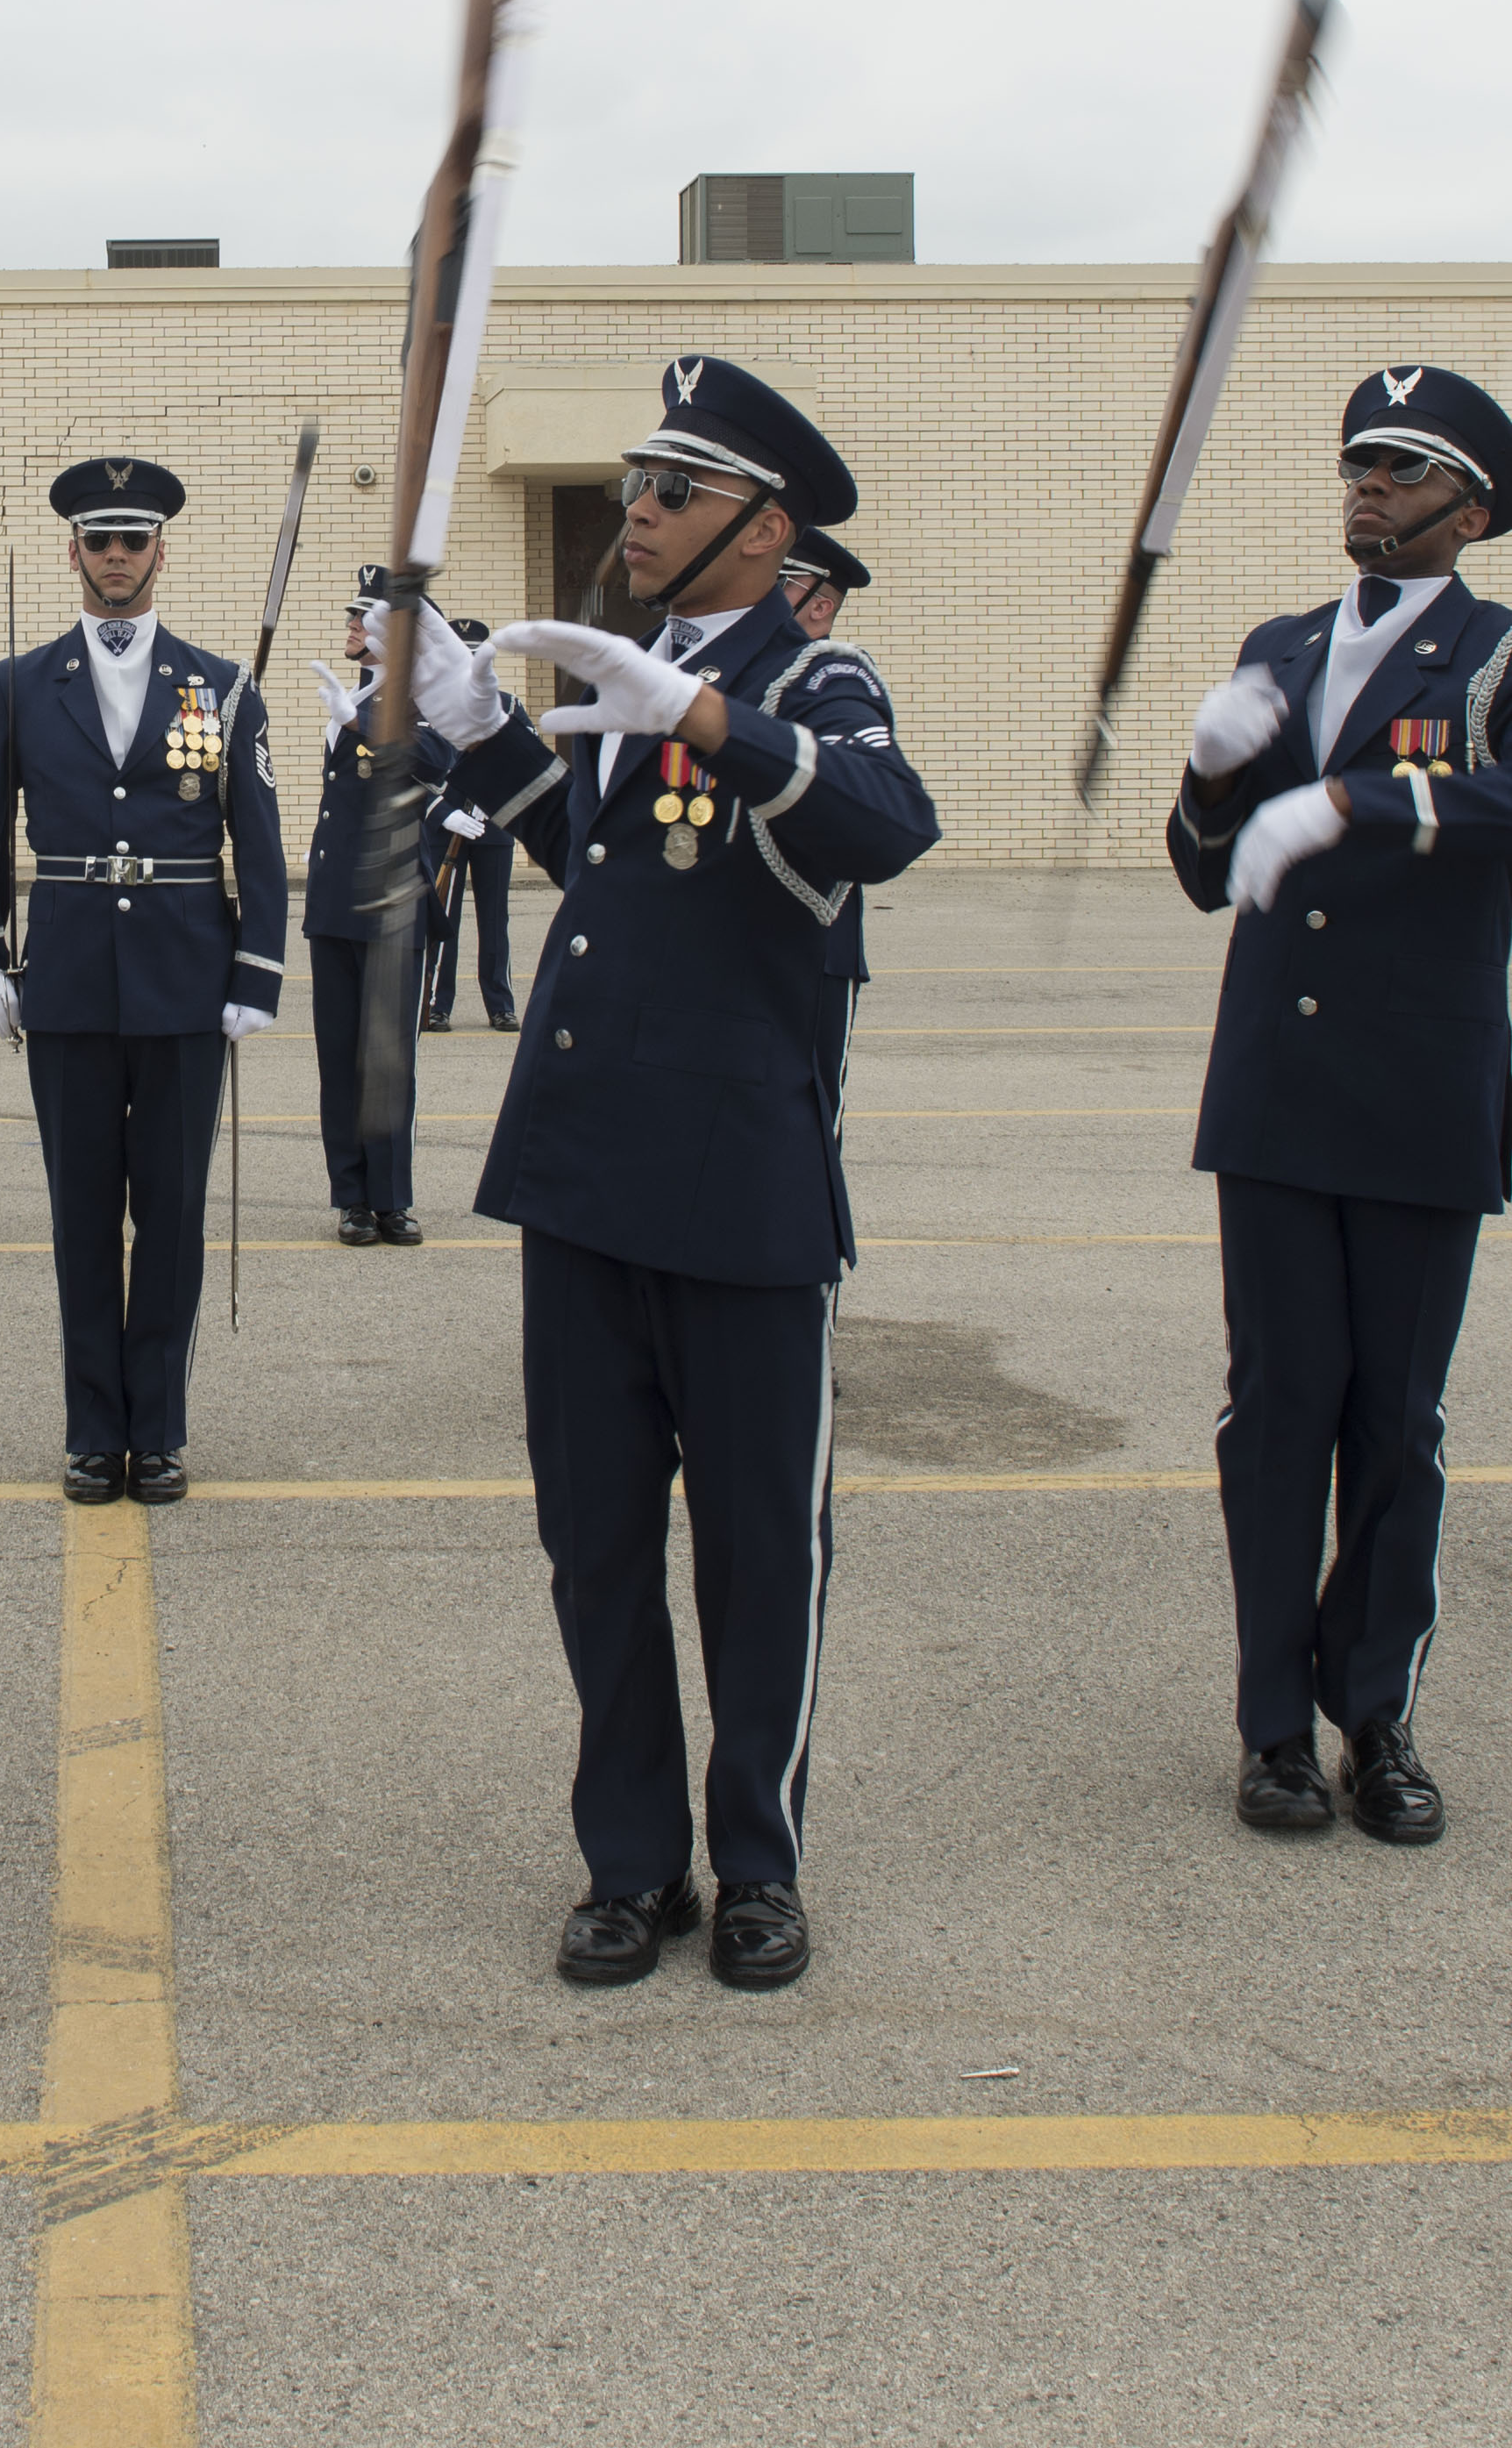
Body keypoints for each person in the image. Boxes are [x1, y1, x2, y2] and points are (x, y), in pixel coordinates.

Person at [403, 356, 938, 1993]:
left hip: (740, 1181)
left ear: (764, 529)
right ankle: (630, 1861)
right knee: (598, 1542)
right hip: (582, 1169)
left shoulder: (807, 677)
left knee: (760, 1546)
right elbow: (598, 860)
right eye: (636, 488)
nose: (634, 516)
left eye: (671, 494)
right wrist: (473, 729)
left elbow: (881, 822)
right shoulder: (634, 675)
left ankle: (757, 1856)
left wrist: (703, 711)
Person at [1168, 368, 1512, 1844]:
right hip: (1277, 1088)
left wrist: (1381, 801)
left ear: (1470, 507)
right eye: (1356, 461)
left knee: (1393, 1424)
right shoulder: (1282, 646)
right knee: (1275, 1414)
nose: (1365, 486)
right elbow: (1207, 871)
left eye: (1401, 467)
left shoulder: (1511, 657)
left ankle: (1374, 1714)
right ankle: (1269, 1731)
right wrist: (1204, 779)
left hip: (1416, 1089)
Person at [0, 456, 289, 1506]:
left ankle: (162, 1427)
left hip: (186, 978)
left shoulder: (223, 683)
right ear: (73, 553)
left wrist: (258, 971)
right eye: (97, 540)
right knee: (81, 1216)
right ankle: (94, 1431)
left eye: (131, 539)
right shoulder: (15, 683)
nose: (114, 556)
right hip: (63, 978)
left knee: (175, 1215)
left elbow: (264, 844)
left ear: (158, 550)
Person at [299, 578, 455, 1245]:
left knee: (388, 1061)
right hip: (336, 901)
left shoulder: (425, 698)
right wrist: (352, 714)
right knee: (341, 1057)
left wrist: (361, 721)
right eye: (356, 614)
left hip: (392, 904)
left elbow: (435, 759)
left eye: (366, 617)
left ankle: (391, 1197)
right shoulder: (357, 697)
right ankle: (352, 1197)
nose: (354, 625)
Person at [777, 529, 876, 1110]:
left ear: (819, 604)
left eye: (781, 584)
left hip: (817, 938)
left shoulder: (838, 684)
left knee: (810, 1110)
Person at [422, 616, 518, 1037]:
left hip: (492, 826)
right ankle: (437, 1004)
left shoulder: (509, 706)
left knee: (494, 918)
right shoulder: (427, 707)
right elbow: (418, 771)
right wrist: (445, 808)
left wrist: (495, 801)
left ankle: (500, 1004)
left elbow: (524, 764)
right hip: (446, 826)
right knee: (443, 916)